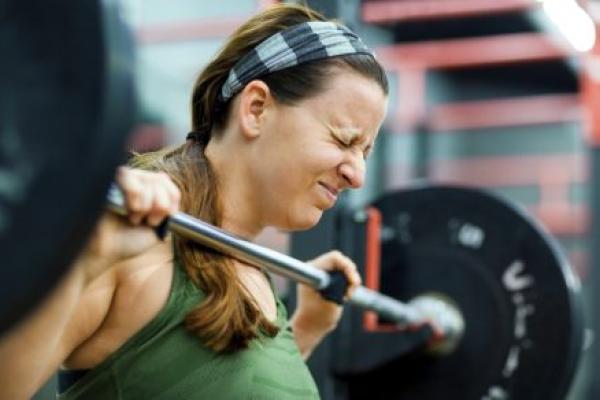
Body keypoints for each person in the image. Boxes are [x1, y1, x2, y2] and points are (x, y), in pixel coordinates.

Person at [0, 3, 388, 399]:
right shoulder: (137, 243)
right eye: (344, 140)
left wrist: (304, 330)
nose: (356, 175)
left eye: (365, 154)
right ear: (256, 109)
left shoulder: (255, 274)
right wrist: (90, 260)